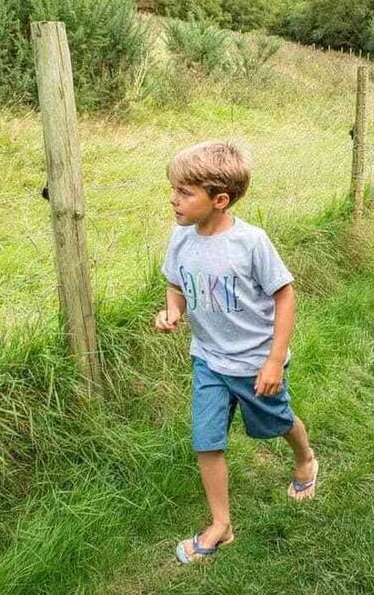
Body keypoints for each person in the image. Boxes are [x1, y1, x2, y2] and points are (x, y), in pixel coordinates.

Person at [154, 141, 318, 564]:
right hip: (208, 359)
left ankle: (306, 459)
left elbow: (285, 296)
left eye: (185, 192)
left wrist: (273, 359)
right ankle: (221, 525)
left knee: (277, 420)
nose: (173, 199)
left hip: (253, 363)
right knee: (206, 440)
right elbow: (176, 284)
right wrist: (172, 310)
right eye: (173, 189)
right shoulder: (180, 238)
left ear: (219, 200)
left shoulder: (251, 243)